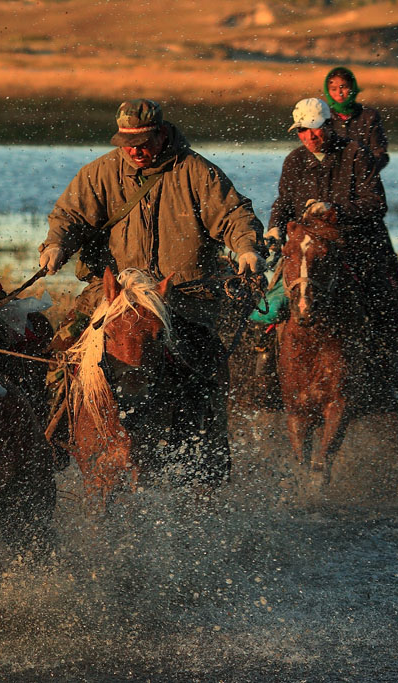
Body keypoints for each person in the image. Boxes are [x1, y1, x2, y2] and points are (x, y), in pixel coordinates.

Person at [38, 98, 265, 486]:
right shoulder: (100, 173)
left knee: (203, 366)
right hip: (110, 293)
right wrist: (56, 244)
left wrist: (245, 246)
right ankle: (53, 439)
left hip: (183, 299)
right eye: (127, 142)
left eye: (143, 141)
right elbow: (69, 216)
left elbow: (233, 215)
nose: (134, 150)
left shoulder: (197, 172)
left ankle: (208, 456)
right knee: (62, 350)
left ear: (162, 133)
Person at [266, 97, 398, 370]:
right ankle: (266, 374)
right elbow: (283, 202)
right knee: (267, 309)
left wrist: (336, 210)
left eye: (314, 129)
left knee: (383, 308)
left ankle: (393, 365)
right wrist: (274, 227)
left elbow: (376, 203)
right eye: (301, 130)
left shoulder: (356, 153)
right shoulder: (294, 161)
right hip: (305, 248)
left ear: (329, 125)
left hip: (354, 246)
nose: (308, 136)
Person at [323, 66, 389, 176]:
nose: (339, 93)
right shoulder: (323, 116)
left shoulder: (368, 116)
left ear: (352, 88)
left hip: (364, 178)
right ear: (328, 91)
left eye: (343, 87)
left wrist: (363, 171)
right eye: (333, 89)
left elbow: (380, 152)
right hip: (332, 179)